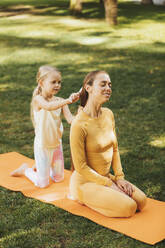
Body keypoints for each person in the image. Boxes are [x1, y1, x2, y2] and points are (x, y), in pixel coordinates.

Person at [69, 70, 147, 217]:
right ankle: (83, 197)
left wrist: (119, 178)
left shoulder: (108, 114)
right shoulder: (79, 124)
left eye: (110, 85)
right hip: (85, 183)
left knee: (141, 201)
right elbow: (80, 167)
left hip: (106, 177)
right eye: (103, 84)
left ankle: (109, 195)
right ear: (88, 87)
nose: (108, 88)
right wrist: (109, 184)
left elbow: (115, 149)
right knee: (129, 207)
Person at [11, 65, 79, 188]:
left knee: (58, 178)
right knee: (42, 184)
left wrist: (82, 114)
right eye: (53, 82)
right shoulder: (38, 99)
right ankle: (26, 170)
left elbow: (70, 119)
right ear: (41, 82)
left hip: (57, 145)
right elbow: (48, 106)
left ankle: (40, 166)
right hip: (43, 146)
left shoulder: (60, 100)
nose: (57, 85)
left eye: (59, 82)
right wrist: (68, 100)